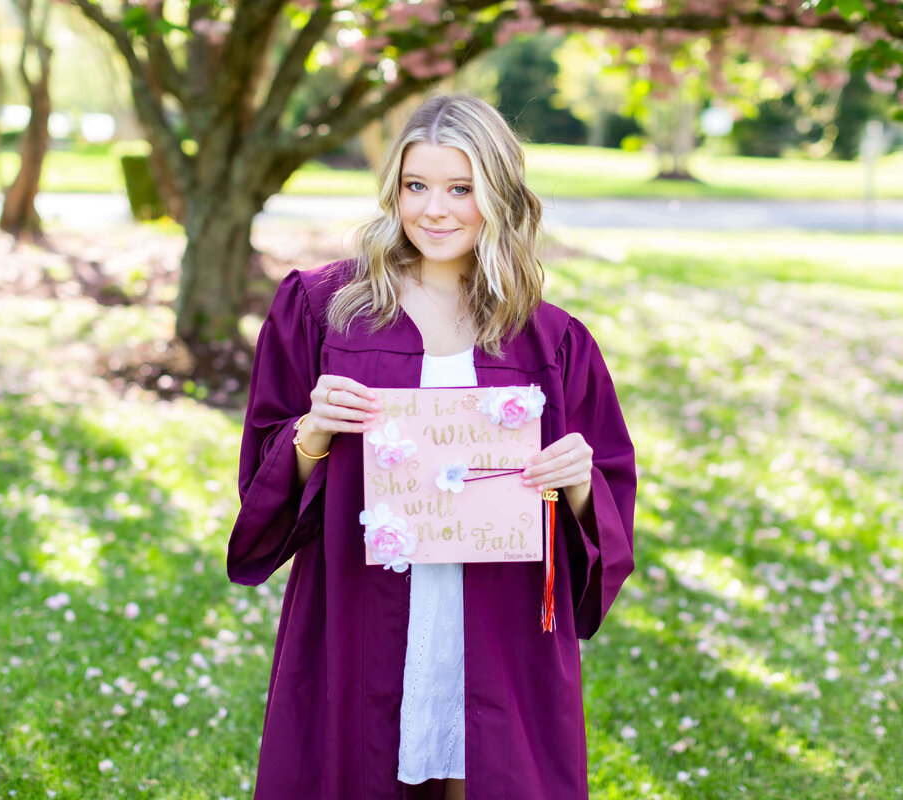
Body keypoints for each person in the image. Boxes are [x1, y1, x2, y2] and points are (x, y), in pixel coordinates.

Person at [227, 93, 636, 800]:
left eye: (461, 188)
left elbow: (605, 491)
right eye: (417, 186)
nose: (435, 210)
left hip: (495, 616)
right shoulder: (322, 312)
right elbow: (264, 478)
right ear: (393, 190)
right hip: (361, 604)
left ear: (500, 197)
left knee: (485, 769)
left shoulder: (551, 339)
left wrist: (576, 481)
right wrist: (311, 434)